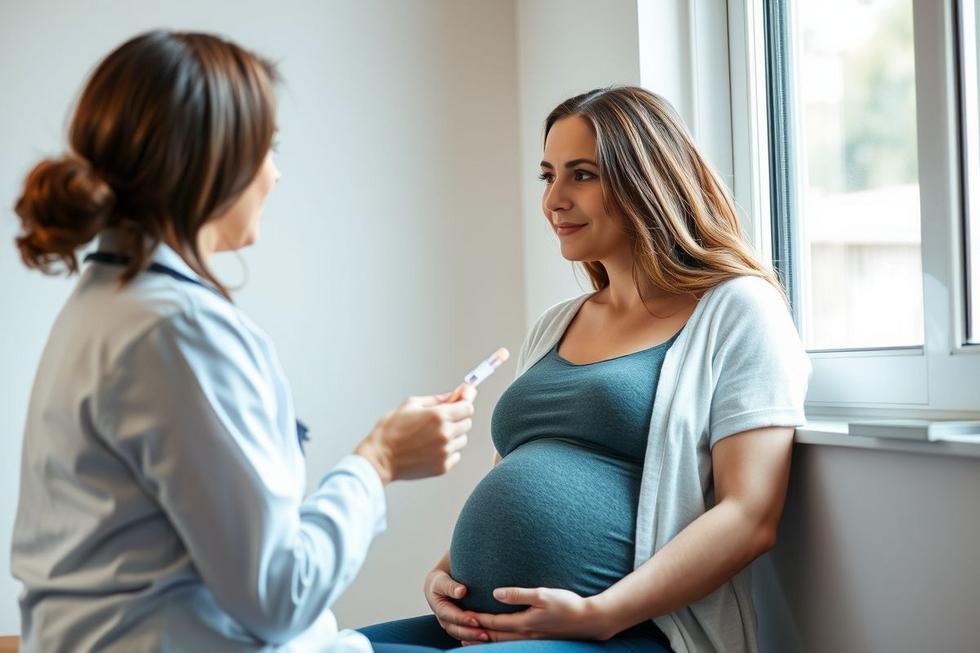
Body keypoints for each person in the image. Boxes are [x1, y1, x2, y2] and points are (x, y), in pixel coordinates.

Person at [10, 30, 476, 653]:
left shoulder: (107, 308)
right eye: (269, 148)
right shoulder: (177, 331)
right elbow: (277, 595)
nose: (276, 175)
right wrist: (378, 462)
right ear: (214, 161)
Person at [359, 87, 811, 653]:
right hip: (483, 628)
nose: (554, 200)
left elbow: (750, 516)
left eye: (582, 175)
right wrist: (443, 573)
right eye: (548, 176)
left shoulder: (737, 309)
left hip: (628, 633)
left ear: (649, 180)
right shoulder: (557, 323)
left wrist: (600, 614)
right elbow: (521, 470)